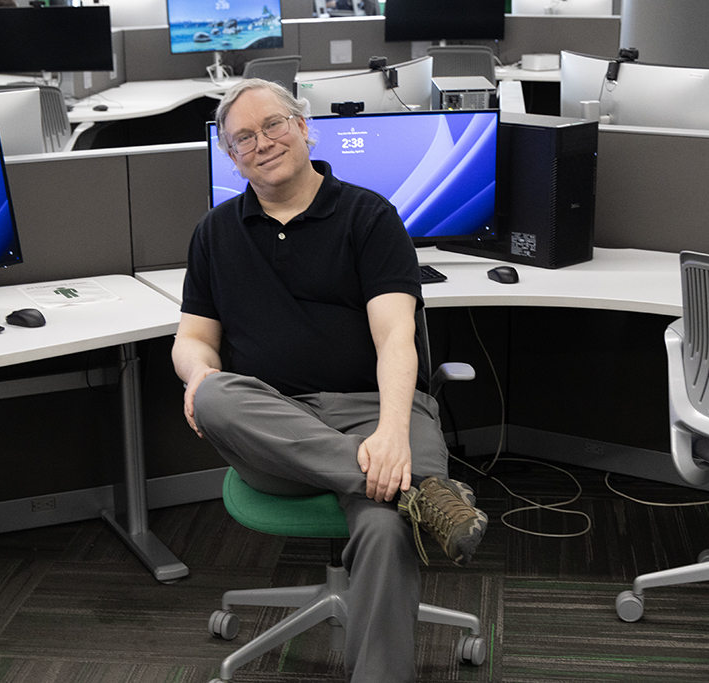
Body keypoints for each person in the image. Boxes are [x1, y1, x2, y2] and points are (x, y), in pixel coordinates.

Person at [171, 78, 488, 683]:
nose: (261, 143)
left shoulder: (369, 215)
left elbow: (396, 335)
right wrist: (196, 373)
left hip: (374, 412)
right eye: (243, 138)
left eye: (273, 125)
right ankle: (423, 494)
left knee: (384, 526)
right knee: (213, 392)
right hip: (274, 429)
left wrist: (393, 430)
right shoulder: (214, 232)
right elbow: (192, 340)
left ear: (304, 126)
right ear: (230, 155)